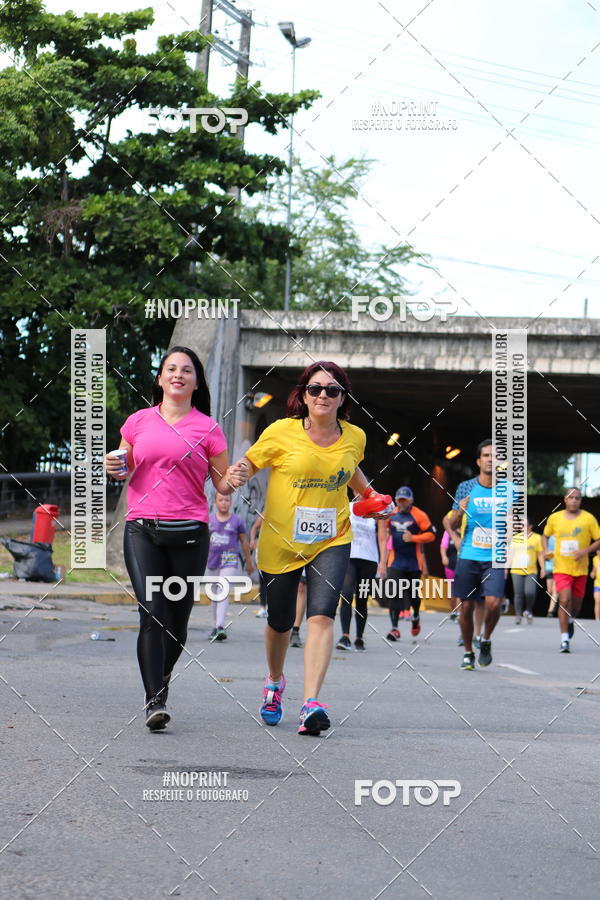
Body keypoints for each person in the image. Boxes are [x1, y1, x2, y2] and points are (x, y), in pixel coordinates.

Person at [233, 361, 389, 736]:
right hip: (281, 540)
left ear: (342, 398)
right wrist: (236, 473)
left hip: (331, 538)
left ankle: (311, 703)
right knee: (280, 621)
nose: (323, 395)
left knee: (322, 616)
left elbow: (349, 468)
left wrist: (368, 494)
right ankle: (274, 681)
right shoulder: (281, 432)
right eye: (315, 389)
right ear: (303, 395)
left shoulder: (355, 437)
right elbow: (249, 464)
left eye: (332, 390)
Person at [104, 346, 244, 731]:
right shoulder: (137, 422)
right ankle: (155, 700)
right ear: (160, 378)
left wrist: (236, 476)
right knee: (152, 611)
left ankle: (160, 678)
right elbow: (123, 465)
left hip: (190, 534)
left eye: (186, 370)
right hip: (142, 529)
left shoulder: (209, 429)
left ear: (196, 382)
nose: (178, 374)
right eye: (171, 369)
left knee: (177, 622)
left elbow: (220, 483)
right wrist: (111, 464)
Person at [448, 439, 514, 670]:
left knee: (494, 603)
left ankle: (485, 640)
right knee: (465, 607)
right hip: (469, 554)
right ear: (479, 461)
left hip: (495, 556)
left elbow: (517, 526)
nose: (490, 459)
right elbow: (452, 522)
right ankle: (468, 651)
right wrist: (460, 512)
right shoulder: (466, 488)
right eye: (486, 455)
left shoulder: (511, 490)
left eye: (495, 456)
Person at [543, 487, 600, 653]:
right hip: (561, 567)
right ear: (565, 499)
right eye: (571, 497)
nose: (574, 500)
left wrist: (585, 551)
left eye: (577, 498)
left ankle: (570, 621)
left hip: (580, 569)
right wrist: (547, 551)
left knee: (575, 606)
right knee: (564, 600)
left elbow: (598, 539)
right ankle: (564, 639)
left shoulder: (588, 519)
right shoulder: (555, 518)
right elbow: (545, 536)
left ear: (580, 500)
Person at [385, 487, 435, 641]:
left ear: (411, 500)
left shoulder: (419, 515)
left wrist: (414, 538)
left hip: (414, 563)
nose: (402, 503)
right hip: (396, 561)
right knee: (394, 593)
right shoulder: (391, 514)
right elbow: (386, 531)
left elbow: (431, 535)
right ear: (396, 500)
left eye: (405, 500)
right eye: (400, 500)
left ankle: (415, 617)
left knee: (413, 596)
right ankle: (394, 628)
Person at [336, 504, 388, 651]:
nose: (360, 493)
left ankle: (359, 638)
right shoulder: (347, 506)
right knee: (346, 594)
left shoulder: (376, 510)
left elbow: (383, 538)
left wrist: (383, 562)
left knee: (362, 599)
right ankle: (345, 636)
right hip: (349, 557)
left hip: (369, 560)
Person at [206, 492, 254, 641]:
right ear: (215, 503)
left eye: (227, 500)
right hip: (212, 561)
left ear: (231, 503)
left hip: (230, 560)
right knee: (215, 595)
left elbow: (244, 542)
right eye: (220, 500)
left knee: (223, 590)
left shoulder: (237, 521)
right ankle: (215, 626)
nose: (224, 503)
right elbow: (203, 542)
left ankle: (220, 625)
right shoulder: (209, 521)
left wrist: (249, 561)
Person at [508, 517, 544, 624]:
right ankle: (518, 615)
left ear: (530, 526)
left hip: (531, 570)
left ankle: (528, 610)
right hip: (516, 570)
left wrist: (543, 568)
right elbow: (510, 554)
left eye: (525, 525)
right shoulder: (515, 538)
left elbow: (540, 554)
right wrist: (505, 568)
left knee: (530, 592)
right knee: (518, 593)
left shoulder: (537, 538)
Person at [249, 514, 268, 617]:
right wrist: (252, 540)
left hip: (278, 554)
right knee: (263, 581)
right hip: (263, 552)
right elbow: (254, 528)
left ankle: (272, 608)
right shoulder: (265, 514)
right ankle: (262, 607)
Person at [545, 535, 558, 616]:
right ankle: (554, 603)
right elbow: (547, 552)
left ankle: (550, 610)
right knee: (549, 590)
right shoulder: (549, 538)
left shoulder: (563, 537)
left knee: (555, 590)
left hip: (559, 567)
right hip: (549, 566)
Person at [592, 549, 600, 620]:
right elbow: (594, 569)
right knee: (597, 601)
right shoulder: (595, 559)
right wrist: (592, 573)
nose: (598, 552)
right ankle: (597, 619)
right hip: (597, 584)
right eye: (597, 551)